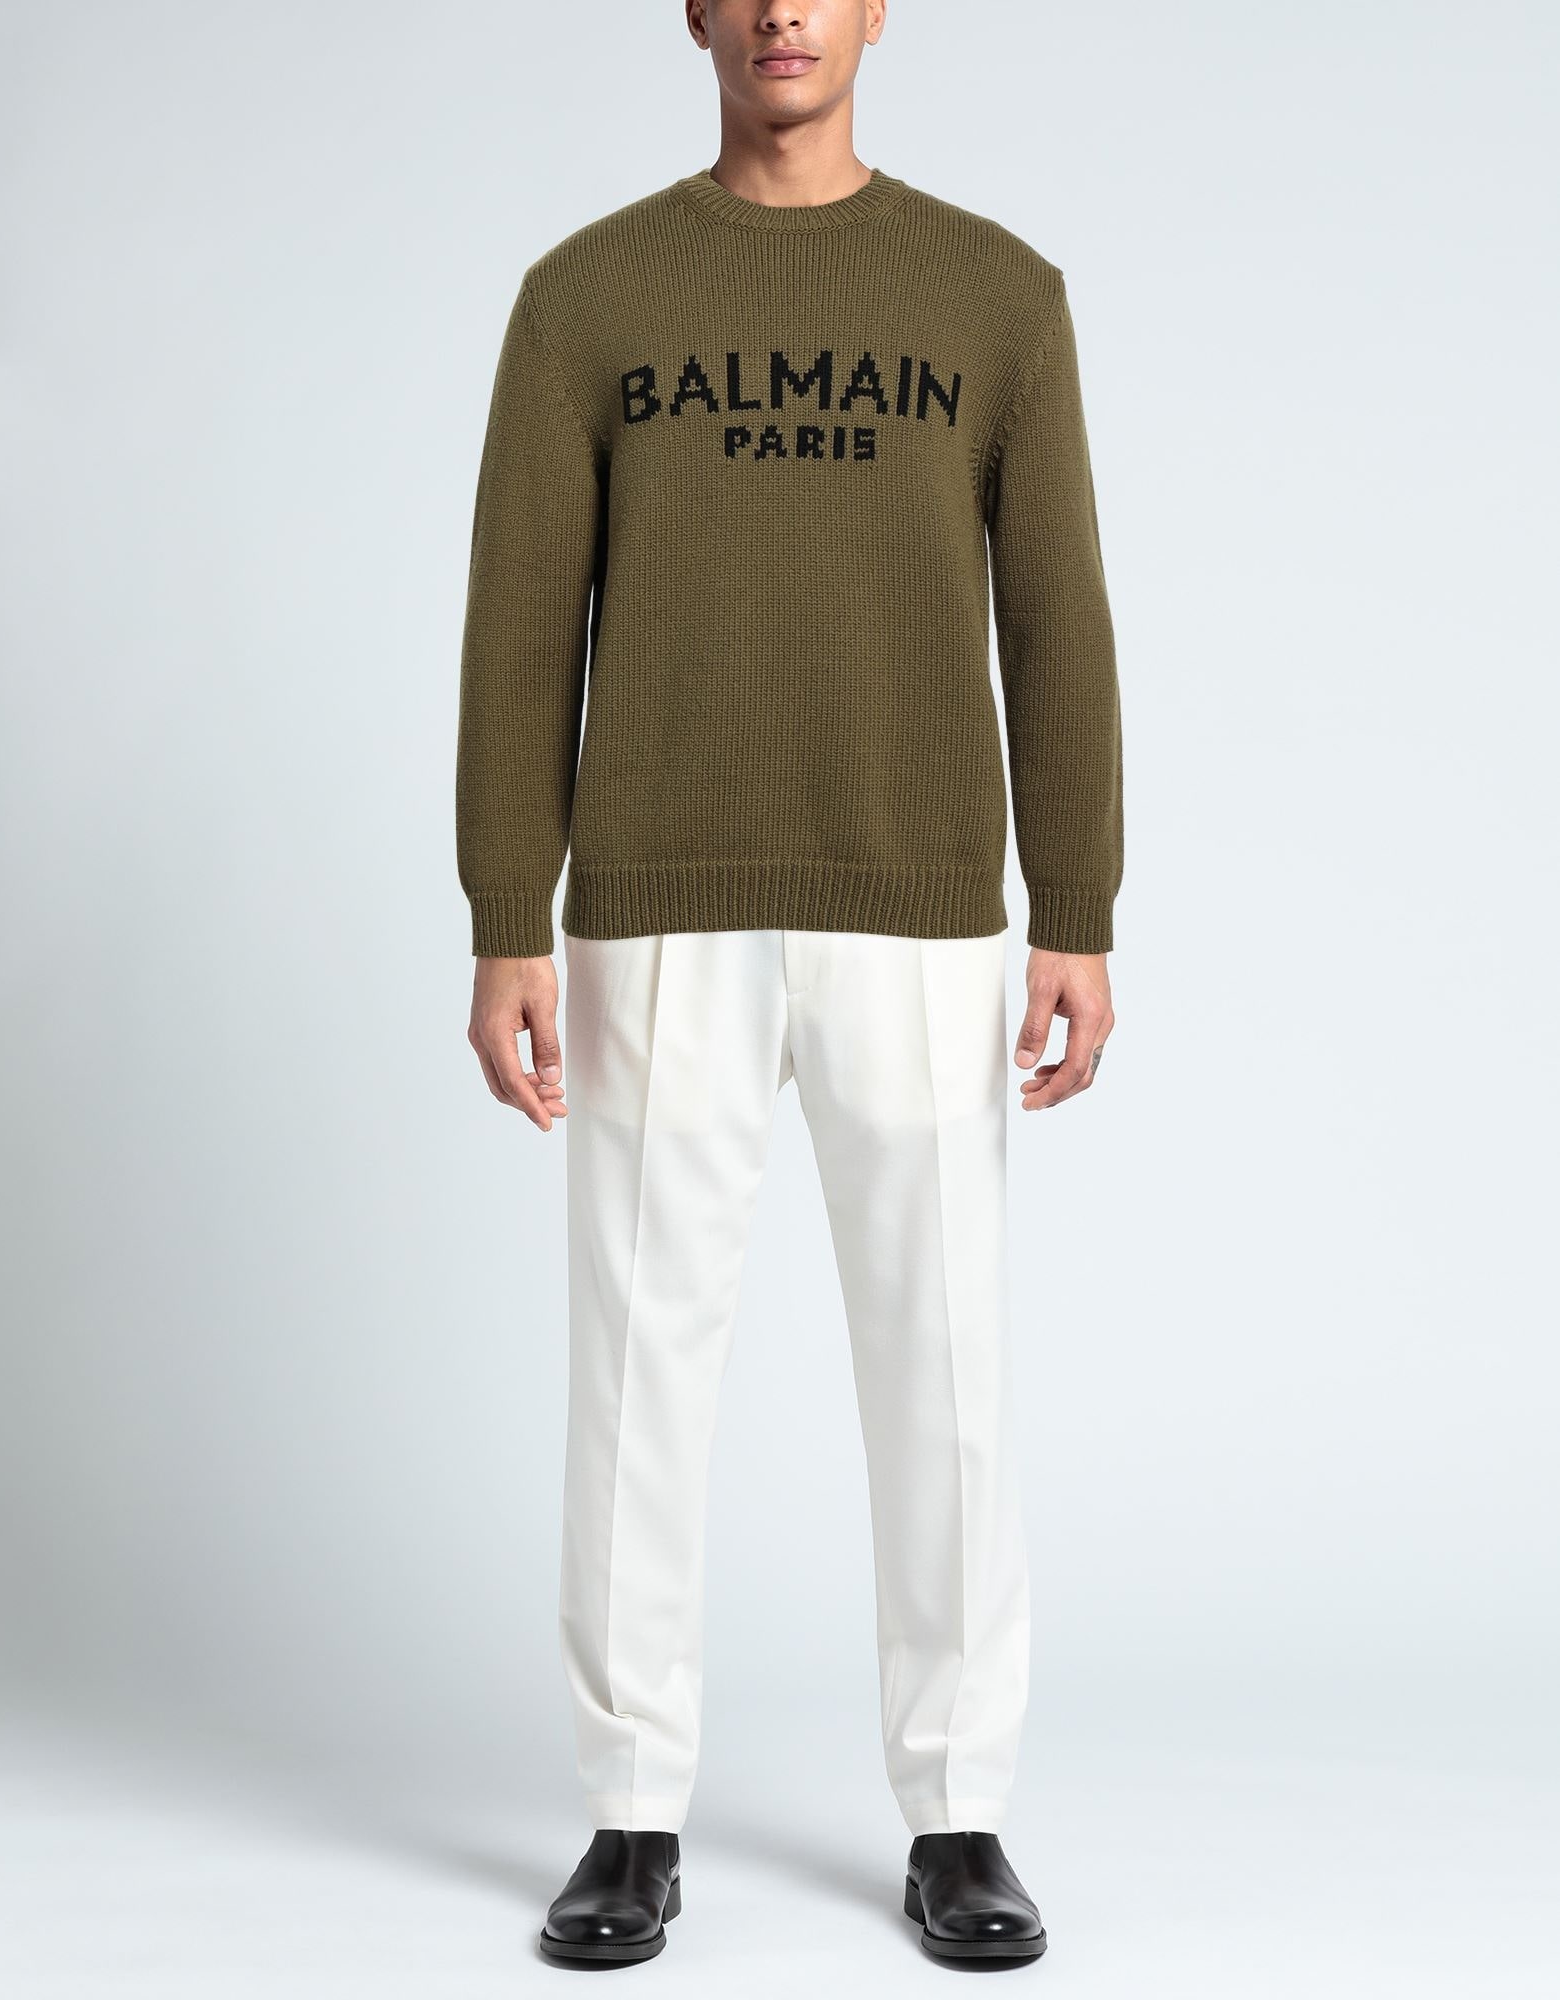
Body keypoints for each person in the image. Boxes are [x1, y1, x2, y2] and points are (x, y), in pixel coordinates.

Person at [455, 0, 1122, 1969]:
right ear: (693, 10)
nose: (780, 11)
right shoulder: (587, 300)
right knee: (636, 1367)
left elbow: (1057, 613)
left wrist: (1077, 904)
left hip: (919, 899)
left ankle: (959, 1813)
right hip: (656, 901)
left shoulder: (996, 298)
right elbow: (519, 618)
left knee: (947, 1371)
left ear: (876, 7)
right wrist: (506, 915)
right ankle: (629, 1814)